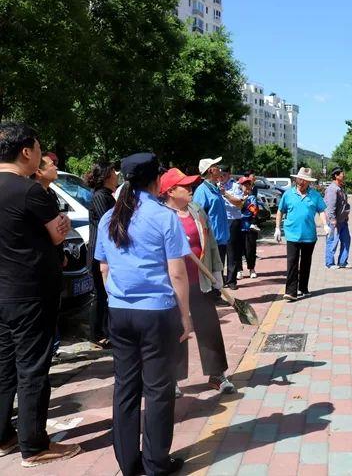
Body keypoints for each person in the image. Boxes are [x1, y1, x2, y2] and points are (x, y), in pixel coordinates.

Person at [94, 153, 193, 476]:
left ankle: (128, 463)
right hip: (156, 314)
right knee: (158, 390)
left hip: (119, 313)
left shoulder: (110, 216)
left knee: (125, 388)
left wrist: (117, 298)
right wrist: (186, 316)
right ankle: (156, 463)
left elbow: (104, 267)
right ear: (157, 181)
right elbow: (177, 273)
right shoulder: (164, 218)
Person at [0, 124, 79, 467]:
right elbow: (59, 234)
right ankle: (35, 445)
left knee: (3, 366)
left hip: (3, 292)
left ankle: (4, 436)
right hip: (30, 292)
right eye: (38, 147)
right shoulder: (30, 191)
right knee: (32, 368)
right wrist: (56, 230)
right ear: (26, 152)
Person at [160, 168, 235, 396]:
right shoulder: (161, 216)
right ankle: (172, 378)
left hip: (200, 280)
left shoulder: (196, 210)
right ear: (171, 191)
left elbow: (210, 243)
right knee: (176, 329)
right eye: (185, 186)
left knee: (209, 325)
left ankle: (217, 374)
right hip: (173, 283)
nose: (191, 189)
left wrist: (216, 273)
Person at [274, 168, 329, 301]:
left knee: (305, 263)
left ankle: (303, 288)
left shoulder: (315, 195)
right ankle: (291, 292)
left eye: (304, 180)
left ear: (309, 182)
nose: (301, 182)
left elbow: (321, 211)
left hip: (309, 235)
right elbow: (280, 211)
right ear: (296, 179)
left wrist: (325, 224)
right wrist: (277, 228)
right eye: (299, 179)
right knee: (292, 262)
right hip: (292, 234)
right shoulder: (288, 194)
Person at [32, 154, 66, 359]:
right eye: (52, 165)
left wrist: (61, 254)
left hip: (54, 261)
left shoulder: (50, 194)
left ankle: (52, 347)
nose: (55, 167)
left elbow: (60, 227)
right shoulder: (33, 195)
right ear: (39, 171)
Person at [84, 161, 118, 346]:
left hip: (105, 252)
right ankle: (98, 334)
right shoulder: (100, 196)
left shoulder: (108, 196)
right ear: (106, 176)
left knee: (105, 293)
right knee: (100, 294)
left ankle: (105, 331)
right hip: (99, 253)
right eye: (113, 171)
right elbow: (109, 224)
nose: (117, 174)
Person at [193, 157, 230, 301]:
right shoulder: (202, 191)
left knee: (218, 268)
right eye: (216, 166)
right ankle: (212, 296)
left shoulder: (215, 189)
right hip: (211, 239)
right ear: (210, 170)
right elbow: (198, 215)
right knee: (211, 268)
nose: (220, 169)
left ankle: (217, 294)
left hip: (221, 238)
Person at [220, 166, 244, 290]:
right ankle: (219, 279)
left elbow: (239, 203)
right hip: (220, 221)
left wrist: (225, 194)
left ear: (229, 174)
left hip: (233, 220)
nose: (221, 177)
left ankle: (231, 280)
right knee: (220, 251)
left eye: (223, 174)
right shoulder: (216, 185)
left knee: (232, 252)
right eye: (219, 174)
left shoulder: (235, 186)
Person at [324, 167, 351, 269]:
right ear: (336, 176)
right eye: (342, 174)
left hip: (343, 220)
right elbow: (330, 206)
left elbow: (345, 203)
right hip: (334, 221)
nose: (343, 175)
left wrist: (346, 215)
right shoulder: (332, 189)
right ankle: (329, 263)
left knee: (346, 240)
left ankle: (343, 262)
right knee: (332, 241)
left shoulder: (340, 188)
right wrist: (332, 219)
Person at [238, 177, 261, 279]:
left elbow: (254, 212)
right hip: (238, 227)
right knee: (237, 250)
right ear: (240, 186)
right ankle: (239, 270)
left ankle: (251, 269)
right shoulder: (236, 197)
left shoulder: (252, 198)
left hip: (249, 228)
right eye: (244, 185)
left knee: (250, 250)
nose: (246, 187)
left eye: (248, 185)